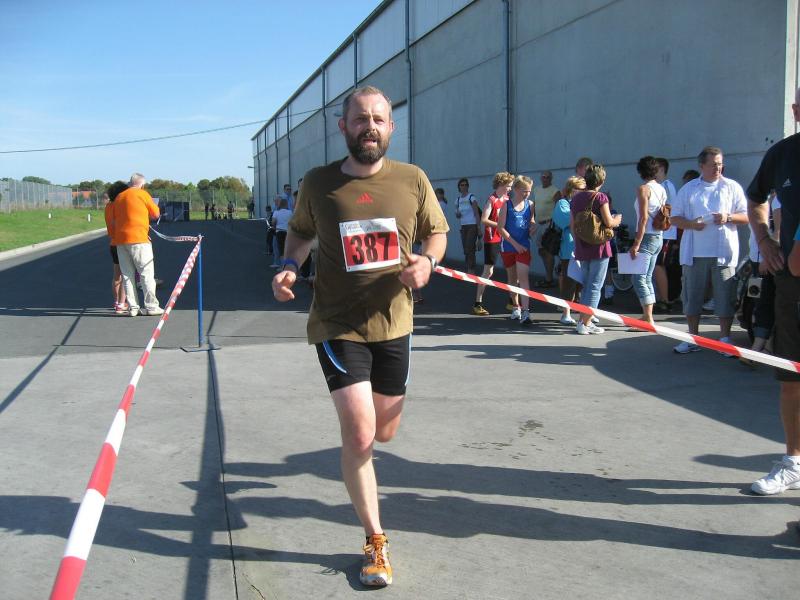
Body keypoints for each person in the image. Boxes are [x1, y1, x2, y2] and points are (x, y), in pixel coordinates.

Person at [271, 86, 448, 586]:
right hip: (337, 322)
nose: (369, 126)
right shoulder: (319, 182)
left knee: (385, 431)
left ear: (390, 127)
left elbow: (437, 233)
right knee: (359, 433)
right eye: (360, 118)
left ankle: (369, 465)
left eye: (378, 119)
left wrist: (428, 262)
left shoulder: (412, 179)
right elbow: (301, 232)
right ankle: (375, 539)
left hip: (394, 323)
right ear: (343, 126)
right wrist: (289, 266)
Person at [746, 87, 800, 495]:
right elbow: (756, 198)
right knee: (791, 378)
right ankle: (794, 461)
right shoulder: (782, 153)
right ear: (796, 110)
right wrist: (764, 240)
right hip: (791, 287)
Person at [670, 146, 749, 354]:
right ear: (701, 165)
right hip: (695, 252)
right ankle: (693, 338)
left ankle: (725, 339)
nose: (718, 168)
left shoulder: (731, 187)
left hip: (723, 252)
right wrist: (691, 224)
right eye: (713, 164)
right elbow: (674, 218)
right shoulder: (689, 189)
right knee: (692, 296)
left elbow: (746, 216)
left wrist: (728, 217)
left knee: (725, 295)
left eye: (720, 164)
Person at [570, 164, 621, 334]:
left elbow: (572, 225)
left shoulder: (576, 198)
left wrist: (578, 241)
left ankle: (585, 320)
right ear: (601, 180)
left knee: (586, 285)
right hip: (599, 246)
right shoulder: (601, 198)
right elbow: (609, 222)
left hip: (582, 245)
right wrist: (617, 219)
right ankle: (584, 323)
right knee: (595, 286)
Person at [113, 173, 163, 317]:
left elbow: (115, 218)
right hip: (139, 240)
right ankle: (152, 306)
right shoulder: (143, 194)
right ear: (142, 184)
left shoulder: (119, 197)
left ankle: (133, 308)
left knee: (127, 275)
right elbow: (156, 214)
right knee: (146, 274)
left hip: (121, 241)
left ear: (130, 183)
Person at [629, 156, 667, 327]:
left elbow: (643, 218)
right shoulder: (661, 189)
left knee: (638, 278)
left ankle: (648, 317)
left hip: (646, 237)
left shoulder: (643, 189)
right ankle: (648, 315)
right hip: (658, 236)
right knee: (647, 277)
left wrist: (636, 243)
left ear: (641, 171)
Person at [473, 172, 514, 315]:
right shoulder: (492, 199)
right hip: (492, 238)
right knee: (488, 271)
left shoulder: (507, 199)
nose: (510, 189)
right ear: (501, 185)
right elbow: (484, 219)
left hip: (504, 238)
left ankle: (512, 302)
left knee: (512, 269)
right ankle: (477, 303)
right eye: (508, 186)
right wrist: (500, 226)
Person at [498, 175, 536, 325]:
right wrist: (515, 244)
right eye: (524, 191)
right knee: (512, 278)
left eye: (529, 191)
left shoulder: (530, 205)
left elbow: (531, 221)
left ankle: (526, 312)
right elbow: (501, 229)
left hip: (524, 246)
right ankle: (516, 306)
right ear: (516, 189)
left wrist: (533, 226)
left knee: (523, 277)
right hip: (509, 246)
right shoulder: (506, 205)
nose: (527, 194)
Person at [553, 176, 585, 325]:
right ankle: (566, 313)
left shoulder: (582, 203)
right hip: (568, 249)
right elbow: (565, 221)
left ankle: (584, 313)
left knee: (582, 283)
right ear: (572, 189)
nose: (583, 192)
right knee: (569, 282)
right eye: (580, 189)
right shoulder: (563, 203)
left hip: (583, 247)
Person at [653, 157, 679, 312]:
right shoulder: (666, 186)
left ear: (662, 169)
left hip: (665, 234)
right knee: (658, 266)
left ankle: (664, 299)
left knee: (659, 266)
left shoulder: (665, 186)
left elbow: (666, 210)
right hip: (664, 233)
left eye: (655, 169)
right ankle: (661, 297)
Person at [532, 170, 562, 287]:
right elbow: (535, 205)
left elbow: (559, 208)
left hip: (549, 225)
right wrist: (532, 220)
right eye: (543, 177)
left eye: (547, 177)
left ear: (551, 179)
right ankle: (548, 276)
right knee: (541, 251)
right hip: (538, 224)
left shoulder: (555, 191)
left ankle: (549, 279)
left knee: (548, 251)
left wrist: (553, 224)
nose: (545, 179)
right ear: (540, 178)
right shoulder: (536, 189)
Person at [103, 184, 128, 314]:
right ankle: (121, 304)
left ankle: (117, 302)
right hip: (122, 243)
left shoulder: (108, 206)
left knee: (116, 275)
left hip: (113, 243)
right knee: (126, 275)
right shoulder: (120, 206)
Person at [455, 177, 481, 274]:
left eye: (466, 185)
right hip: (463, 226)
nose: (464, 186)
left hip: (472, 226)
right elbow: (457, 215)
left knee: (470, 248)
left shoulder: (471, 197)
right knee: (465, 249)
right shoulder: (457, 200)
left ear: (468, 186)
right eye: (462, 185)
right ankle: (469, 267)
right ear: (459, 187)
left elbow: (476, 213)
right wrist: (457, 214)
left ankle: (471, 270)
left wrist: (479, 228)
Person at [270, 198, 292, 268]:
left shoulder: (276, 212)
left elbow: (273, 222)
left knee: (281, 249)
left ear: (280, 204)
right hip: (288, 232)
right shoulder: (290, 212)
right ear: (286, 205)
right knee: (287, 249)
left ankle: (282, 266)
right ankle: (288, 265)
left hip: (279, 232)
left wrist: (274, 227)